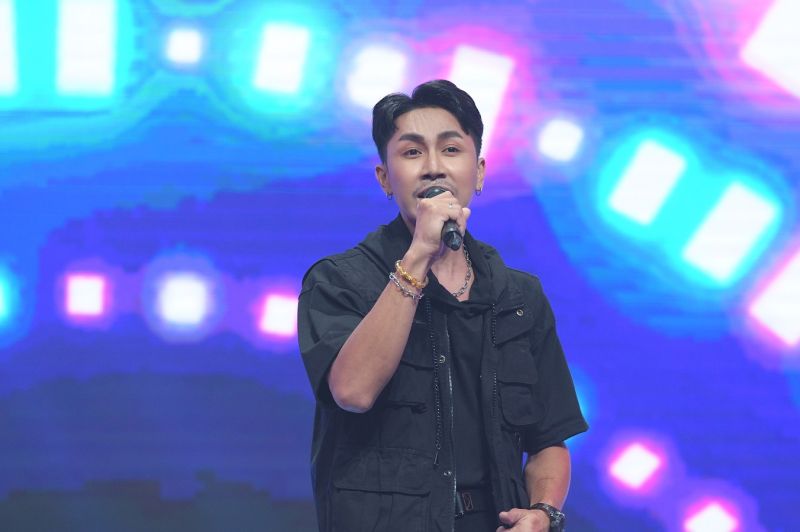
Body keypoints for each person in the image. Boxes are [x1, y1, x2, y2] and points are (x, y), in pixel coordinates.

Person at [297, 79, 588, 532]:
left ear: (479, 172)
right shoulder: (339, 281)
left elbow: (549, 438)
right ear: (384, 178)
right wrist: (418, 255)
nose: (433, 168)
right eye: (412, 152)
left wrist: (543, 513)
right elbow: (352, 392)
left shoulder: (519, 296)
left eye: (451, 150)